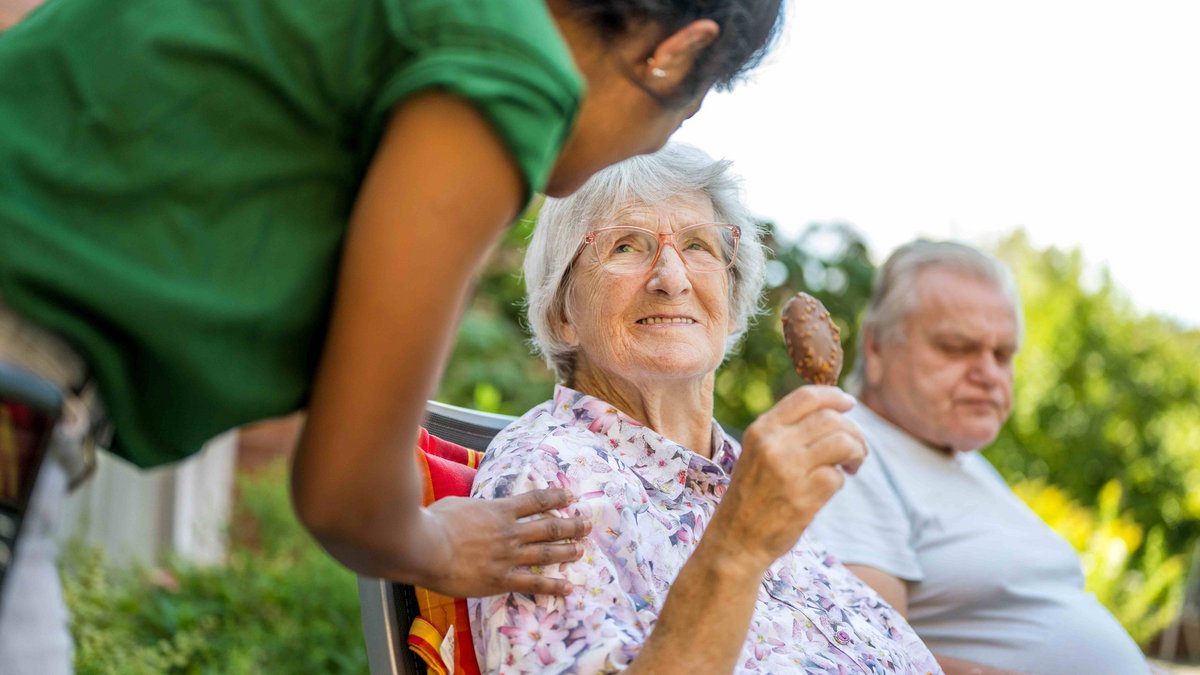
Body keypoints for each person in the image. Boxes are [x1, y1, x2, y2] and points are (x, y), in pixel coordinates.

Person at [0, 0, 786, 671]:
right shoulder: (510, 67)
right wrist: (441, 545)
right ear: (673, 52)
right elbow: (347, 494)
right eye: (678, 115)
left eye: (697, 245)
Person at [469, 144, 942, 673]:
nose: (672, 278)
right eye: (626, 246)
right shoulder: (546, 475)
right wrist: (737, 547)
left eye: (697, 245)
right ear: (562, 313)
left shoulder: (747, 479)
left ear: (732, 300)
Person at [805, 240, 1149, 675]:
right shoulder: (846, 451)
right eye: (956, 347)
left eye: (1003, 354)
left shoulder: (965, 461)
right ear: (875, 348)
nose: (988, 373)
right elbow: (863, 654)